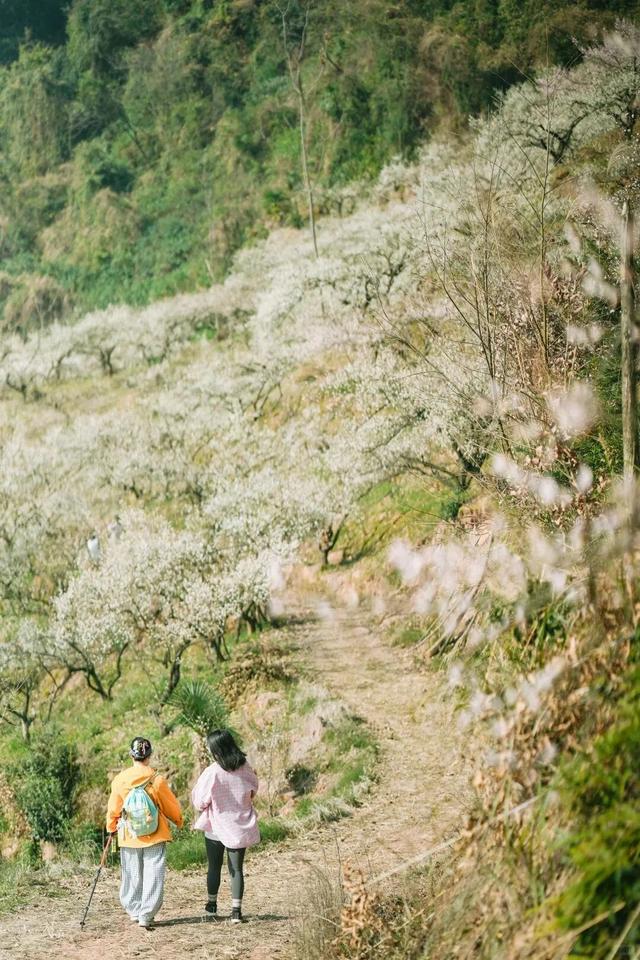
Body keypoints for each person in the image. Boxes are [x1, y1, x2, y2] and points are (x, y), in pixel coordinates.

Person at [106, 736, 183, 929]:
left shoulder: (120, 780)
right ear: (149, 755)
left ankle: (134, 910)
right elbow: (170, 806)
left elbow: (114, 808)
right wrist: (178, 820)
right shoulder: (156, 780)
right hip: (154, 834)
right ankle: (146, 915)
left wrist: (111, 827)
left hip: (129, 834)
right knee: (153, 874)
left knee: (132, 873)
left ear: (131, 755)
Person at [191, 729, 260, 923]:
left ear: (217, 750)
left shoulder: (212, 772)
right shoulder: (245, 767)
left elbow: (199, 802)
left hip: (216, 827)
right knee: (236, 869)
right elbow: (253, 789)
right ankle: (236, 912)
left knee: (214, 867)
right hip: (239, 827)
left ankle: (212, 908)